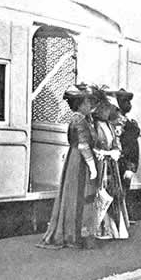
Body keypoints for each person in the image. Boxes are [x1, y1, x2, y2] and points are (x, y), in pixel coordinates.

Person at [39, 84, 104, 249]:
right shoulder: (79, 119)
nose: (91, 106)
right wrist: (93, 166)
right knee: (77, 195)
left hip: (77, 159)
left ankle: (76, 233)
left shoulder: (84, 119)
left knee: (79, 195)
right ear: (80, 104)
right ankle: (72, 235)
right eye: (89, 103)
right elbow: (82, 145)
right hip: (79, 160)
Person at [92, 97, 129, 239]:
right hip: (100, 164)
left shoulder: (110, 126)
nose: (108, 112)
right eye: (106, 109)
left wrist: (115, 151)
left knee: (112, 193)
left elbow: (116, 144)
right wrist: (102, 153)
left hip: (111, 165)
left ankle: (113, 229)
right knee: (100, 193)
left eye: (110, 109)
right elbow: (91, 145)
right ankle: (100, 228)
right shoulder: (94, 125)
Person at [106, 88, 140, 223]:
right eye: (125, 101)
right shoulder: (119, 121)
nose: (128, 105)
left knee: (124, 188)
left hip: (125, 160)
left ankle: (123, 217)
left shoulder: (128, 121)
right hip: (120, 160)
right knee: (118, 188)